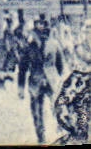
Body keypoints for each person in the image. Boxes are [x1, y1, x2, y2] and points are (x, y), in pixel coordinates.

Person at [18, 15, 67, 143]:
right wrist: (21, 87)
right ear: (34, 27)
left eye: (43, 24)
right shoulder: (29, 46)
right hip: (35, 81)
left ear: (47, 26)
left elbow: (61, 65)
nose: (41, 26)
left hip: (52, 81)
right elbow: (22, 68)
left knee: (58, 108)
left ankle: (62, 131)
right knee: (36, 112)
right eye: (38, 24)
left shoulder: (54, 43)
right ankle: (41, 137)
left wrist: (59, 80)